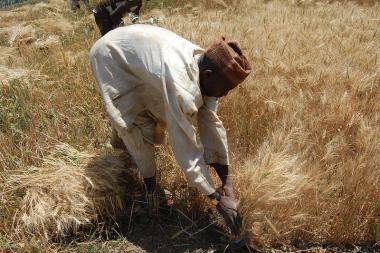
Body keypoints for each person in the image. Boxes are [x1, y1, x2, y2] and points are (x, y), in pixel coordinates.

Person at [89, 24, 251, 235]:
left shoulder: (204, 65)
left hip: (134, 51)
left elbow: (211, 122)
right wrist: (216, 198)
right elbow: (184, 146)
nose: (226, 95)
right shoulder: (181, 85)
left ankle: (127, 161)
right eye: (227, 89)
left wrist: (227, 184)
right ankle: (151, 193)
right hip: (111, 56)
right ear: (209, 75)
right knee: (133, 124)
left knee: (151, 112)